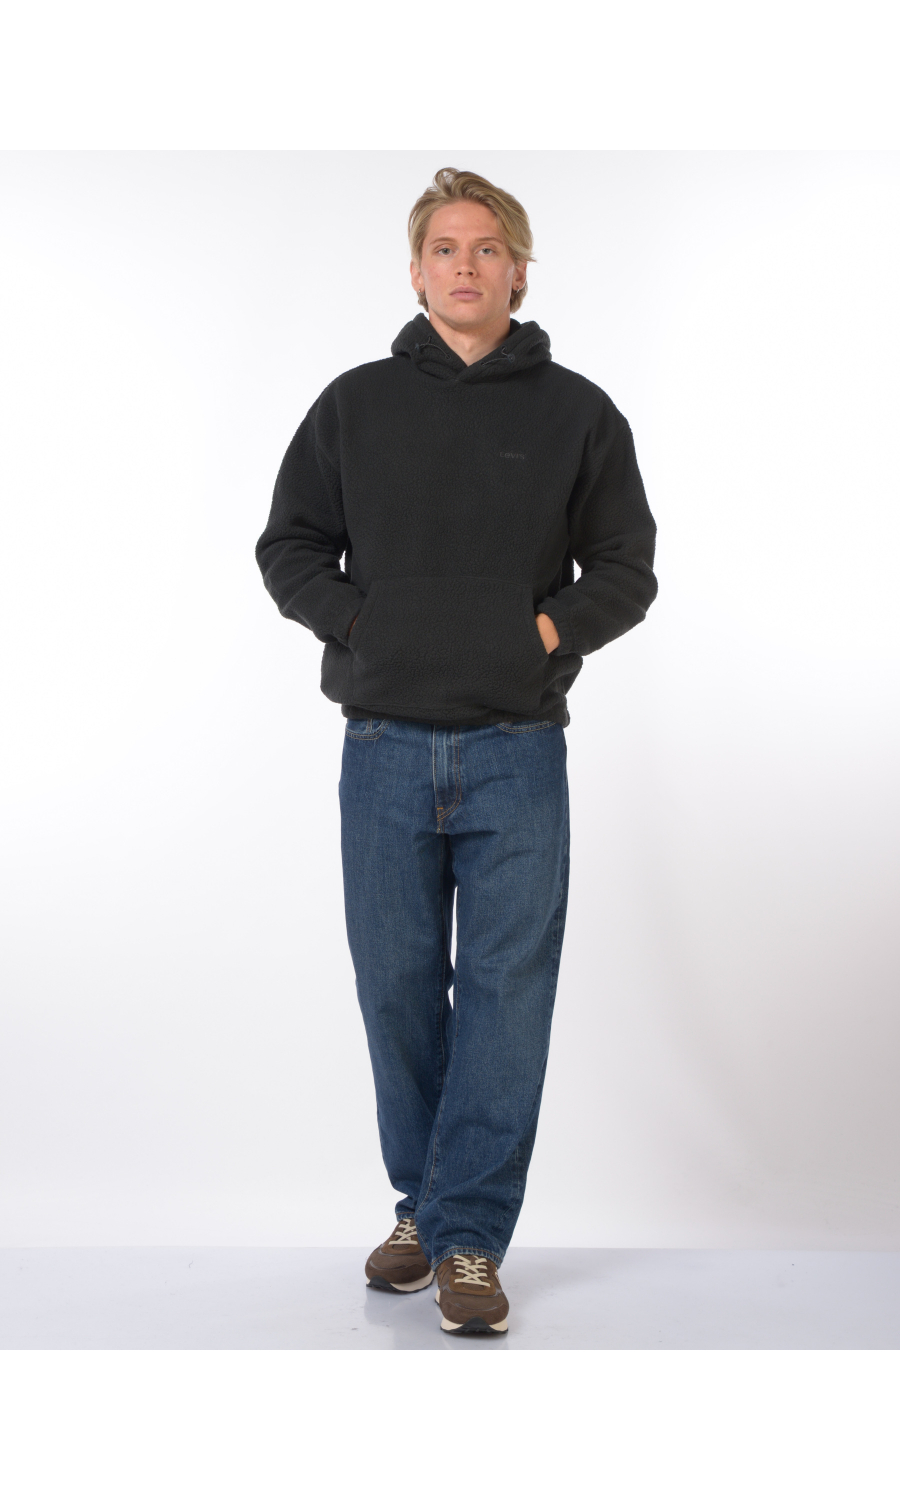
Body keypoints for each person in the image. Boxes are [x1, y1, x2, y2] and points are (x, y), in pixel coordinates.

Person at [255, 166, 658, 1336]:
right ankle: (422, 1211)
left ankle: (467, 1236)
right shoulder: (354, 405)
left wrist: (542, 634)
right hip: (383, 744)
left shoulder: (578, 412)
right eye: (445, 247)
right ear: (417, 269)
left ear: (519, 272)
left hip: (516, 748)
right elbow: (289, 546)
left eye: (487, 248)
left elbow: (625, 568)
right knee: (395, 990)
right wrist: (362, 625)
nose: (465, 265)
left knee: (504, 995)